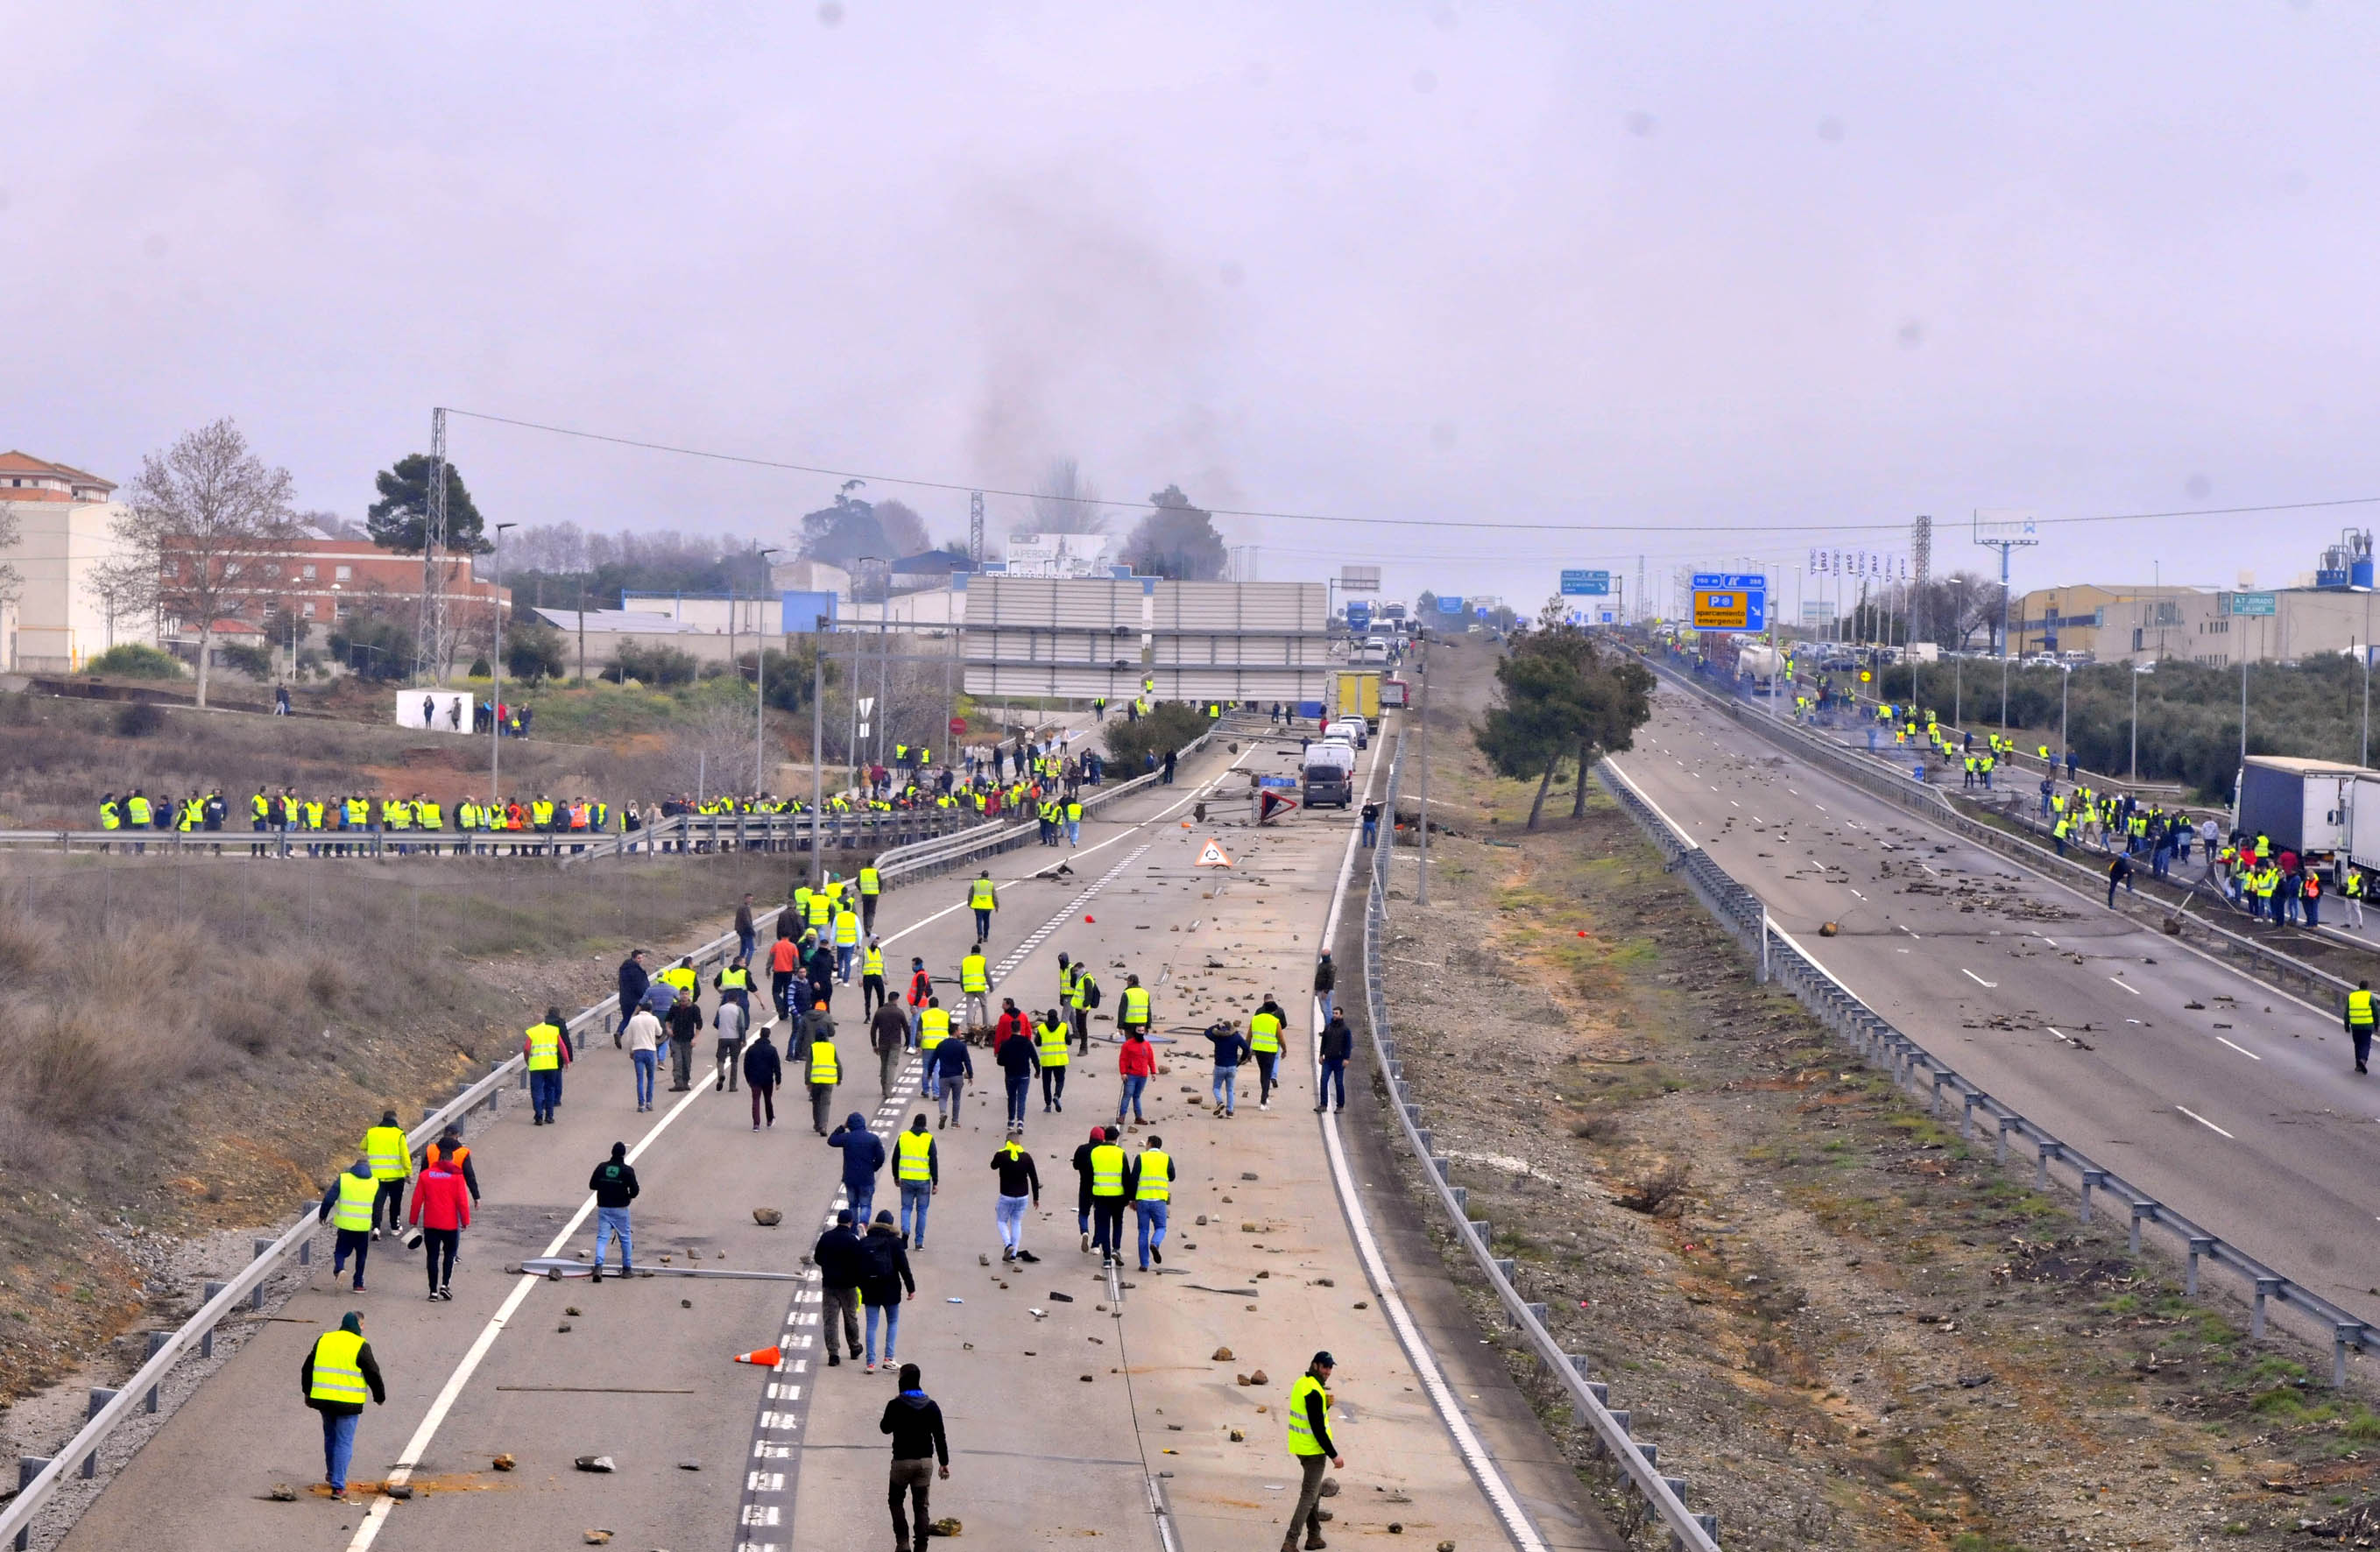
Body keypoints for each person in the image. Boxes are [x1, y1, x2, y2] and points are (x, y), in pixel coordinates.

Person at [300, 1311, 385, 1503]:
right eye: (363, 1325)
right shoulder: (360, 1345)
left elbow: (307, 1367)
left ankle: (331, 1474)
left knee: (330, 1436)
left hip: (322, 1399)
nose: (364, 1328)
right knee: (344, 1441)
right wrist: (379, 1397)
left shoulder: (324, 1339)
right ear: (358, 1325)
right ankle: (338, 1486)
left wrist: (307, 1392)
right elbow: (373, 1372)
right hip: (348, 1403)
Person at [881, 1361, 950, 1550]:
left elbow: (884, 1428)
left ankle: (902, 1542)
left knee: (895, 1501)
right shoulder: (932, 1406)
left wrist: (896, 1413)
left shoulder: (895, 1404)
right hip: (925, 1464)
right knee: (921, 1506)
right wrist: (944, 1463)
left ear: (902, 1381)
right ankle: (921, 1546)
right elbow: (940, 1436)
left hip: (902, 1463)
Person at [1283, 1351, 1345, 1552]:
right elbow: (1318, 1428)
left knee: (1315, 1491)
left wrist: (1323, 1406)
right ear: (1315, 1366)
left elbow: (1309, 1414)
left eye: (1330, 1368)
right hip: (1313, 1451)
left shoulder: (1302, 1383)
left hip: (1300, 1446)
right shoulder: (1314, 1392)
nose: (1328, 1372)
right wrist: (1334, 1455)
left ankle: (1314, 1536)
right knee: (1309, 1495)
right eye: (1325, 1367)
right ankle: (1290, 1541)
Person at [406, 1154, 470, 1301]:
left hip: (431, 1224)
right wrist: (465, 1221)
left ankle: (433, 1292)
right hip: (450, 1225)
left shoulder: (425, 1175)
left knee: (432, 1257)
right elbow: (462, 1201)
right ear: (451, 1161)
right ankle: (445, 1285)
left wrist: (413, 1220)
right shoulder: (456, 1176)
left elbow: (417, 1200)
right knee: (450, 1254)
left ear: (438, 1160)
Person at [859, 1210, 915, 1372]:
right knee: (892, 1322)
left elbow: (858, 1266)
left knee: (871, 1326)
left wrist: (860, 1285)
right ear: (891, 1225)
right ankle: (889, 1358)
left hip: (870, 1289)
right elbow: (904, 1267)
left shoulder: (865, 1242)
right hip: (891, 1289)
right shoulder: (896, 1243)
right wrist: (911, 1288)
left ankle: (870, 1363)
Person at [814, 1207, 867, 1365]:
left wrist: (829, 1267)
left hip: (829, 1285)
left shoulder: (826, 1237)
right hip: (849, 1286)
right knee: (850, 1317)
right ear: (851, 1222)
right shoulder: (853, 1240)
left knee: (830, 1320)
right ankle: (854, 1347)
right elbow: (860, 1262)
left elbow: (818, 1258)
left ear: (838, 1221)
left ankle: (833, 1354)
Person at [317, 1159, 379, 1292]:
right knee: (361, 1255)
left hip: (345, 1225)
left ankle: (339, 1269)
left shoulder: (344, 1179)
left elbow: (329, 1199)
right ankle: (358, 1284)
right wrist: (376, 1224)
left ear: (354, 1167)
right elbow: (377, 1205)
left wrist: (323, 1215)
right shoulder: (374, 1182)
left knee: (340, 1251)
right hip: (363, 1226)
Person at [588, 1141, 639, 1282]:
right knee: (625, 1238)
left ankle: (598, 1266)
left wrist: (605, 1186)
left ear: (612, 1152)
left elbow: (592, 1185)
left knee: (602, 1237)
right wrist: (628, 1196)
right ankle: (627, 1268)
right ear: (624, 1154)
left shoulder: (602, 1167)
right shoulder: (627, 1170)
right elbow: (635, 1190)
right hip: (621, 1208)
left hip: (604, 1207)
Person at [361, 1109, 413, 1240]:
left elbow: (362, 1146)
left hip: (376, 1176)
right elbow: (405, 1156)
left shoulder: (372, 1132)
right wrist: (408, 1173)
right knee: (395, 1203)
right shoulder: (399, 1134)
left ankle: (376, 1228)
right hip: (396, 1176)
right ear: (395, 1120)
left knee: (378, 1203)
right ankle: (395, 1228)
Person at [989, 1131, 1041, 1263]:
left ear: (1007, 1142)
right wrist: (1036, 1198)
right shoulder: (1027, 1157)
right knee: (1017, 1222)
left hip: (1006, 1195)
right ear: (1019, 1142)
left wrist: (1001, 1152)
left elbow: (993, 1166)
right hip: (1023, 1196)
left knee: (1001, 1221)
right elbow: (1034, 1178)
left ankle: (1008, 1245)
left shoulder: (1001, 1155)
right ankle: (1013, 1254)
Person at [830, 1111, 887, 1224]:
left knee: (853, 1205)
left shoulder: (847, 1138)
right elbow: (881, 1157)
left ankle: (854, 1228)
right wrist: (873, 1168)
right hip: (866, 1177)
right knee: (866, 1205)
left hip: (850, 1178)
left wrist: (842, 1127)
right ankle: (864, 1225)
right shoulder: (873, 1138)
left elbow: (831, 1140)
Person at [1131, 1133, 1174, 1272]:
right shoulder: (1167, 1158)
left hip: (1143, 1200)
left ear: (1149, 1144)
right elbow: (1172, 1177)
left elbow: (1133, 1179)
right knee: (1161, 1228)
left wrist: (1132, 1199)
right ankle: (1155, 1243)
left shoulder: (1141, 1158)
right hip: (1159, 1201)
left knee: (1143, 1231)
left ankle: (1144, 1264)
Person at [893, 1114, 937, 1249]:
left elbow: (895, 1158)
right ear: (925, 1125)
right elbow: (933, 1161)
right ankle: (919, 1242)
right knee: (922, 1211)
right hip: (923, 1180)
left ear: (913, 1123)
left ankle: (905, 1232)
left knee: (906, 1208)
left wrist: (896, 1176)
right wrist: (935, 1182)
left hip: (906, 1179)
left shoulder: (903, 1136)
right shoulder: (929, 1139)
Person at [1087, 1125, 1127, 1264]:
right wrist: (1129, 1198)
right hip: (1118, 1196)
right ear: (1116, 1139)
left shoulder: (1095, 1152)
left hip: (1100, 1195)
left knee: (1103, 1226)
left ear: (1104, 1137)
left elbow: (1089, 1175)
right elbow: (1126, 1176)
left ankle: (1106, 1258)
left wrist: (1089, 1195)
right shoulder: (1121, 1153)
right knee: (1117, 1223)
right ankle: (1116, 1249)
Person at [525, 1006, 570, 1125]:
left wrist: (527, 1060)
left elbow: (527, 1048)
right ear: (543, 1021)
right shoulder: (553, 1030)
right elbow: (562, 1046)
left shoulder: (532, 1032)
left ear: (535, 1022)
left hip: (536, 1067)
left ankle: (539, 1117)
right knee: (550, 1090)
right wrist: (566, 1061)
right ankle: (549, 1117)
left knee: (537, 1092)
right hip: (551, 1066)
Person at [994, 1012, 1039, 1129]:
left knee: (1011, 1098)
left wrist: (1008, 1063)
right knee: (1022, 1098)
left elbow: (999, 1061)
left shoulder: (1006, 1044)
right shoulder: (1027, 1042)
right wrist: (1037, 1071)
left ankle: (1010, 1121)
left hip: (1010, 1074)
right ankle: (1020, 1121)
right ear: (1020, 1029)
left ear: (1011, 1029)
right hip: (1024, 1074)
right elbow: (1035, 1058)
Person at [928, 1016, 973, 1129]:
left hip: (944, 1076)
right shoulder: (961, 1046)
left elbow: (933, 1060)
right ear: (956, 1032)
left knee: (943, 1098)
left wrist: (929, 1073)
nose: (960, 1032)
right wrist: (970, 1075)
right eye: (959, 1030)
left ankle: (943, 1113)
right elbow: (967, 1061)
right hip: (957, 1076)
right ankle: (955, 1122)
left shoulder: (941, 1045)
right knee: (956, 1099)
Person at [422, 1126, 480, 1203]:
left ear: (444, 1134)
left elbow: (423, 1173)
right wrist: (476, 1196)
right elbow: (469, 1175)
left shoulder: (431, 1149)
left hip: (433, 1192)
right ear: (457, 1136)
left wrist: (422, 1194)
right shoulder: (463, 1153)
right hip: (454, 1193)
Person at [869, 991, 909, 1097]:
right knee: (892, 1066)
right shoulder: (899, 1012)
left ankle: (883, 1088)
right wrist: (908, 1042)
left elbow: (873, 1029)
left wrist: (874, 1044)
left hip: (882, 1042)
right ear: (896, 1000)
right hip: (895, 1042)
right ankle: (888, 1090)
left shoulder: (880, 1012)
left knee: (884, 1064)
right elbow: (906, 1028)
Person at [1204, 1019, 1248, 1118]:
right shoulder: (1236, 1036)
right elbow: (1246, 1048)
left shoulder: (1217, 1037)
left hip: (1219, 1066)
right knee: (1230, 1089)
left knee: (1216, 1087)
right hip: (1232, 1066)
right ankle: (1230, 1111)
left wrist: (1216, 1025)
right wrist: (1241, 1060)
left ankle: (1220, 1102)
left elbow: (1207, 1032)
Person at [1248, 996, 1285, 1111]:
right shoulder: (1275, 1022)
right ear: (1274, 1011)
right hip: (1270, 1051)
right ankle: (1263, 1101)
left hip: (1258, 1050)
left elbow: (1249, 1036)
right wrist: (1285, 1049)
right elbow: (1281, 1038)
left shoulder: (1255, 1019)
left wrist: (1247, 1051)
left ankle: (1266, 1095)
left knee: (1263, 1072)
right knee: (1267, 1074)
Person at [744, 1023, 783, 1130]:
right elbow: (777, 1066)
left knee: (755, 1100)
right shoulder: (772, 1050)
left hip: (755, 1078)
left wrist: (748, 1079)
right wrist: (778, 1081)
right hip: (767, 1079)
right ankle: (770, 1120)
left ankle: (756, 1124)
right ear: (769, 1035)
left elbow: (746, 1065)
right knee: (768, 1099)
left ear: (760, 1034)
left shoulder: (752, 1049)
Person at [1116, 1026, 1156, 1126]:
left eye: (1142, 1031)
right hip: (1131, 1075)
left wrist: (1153, 1072)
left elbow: (1151, 1059)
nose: (1141, 1033)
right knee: (1127, 1095)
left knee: (1137, 1096)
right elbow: (1123, 1059)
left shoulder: (1147, 1045)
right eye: (1139, 1031)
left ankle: (1138, 1117)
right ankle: (1122, 1116)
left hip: (1143, 1076)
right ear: (1135, 1031)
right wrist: (1123, 1073)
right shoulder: (1127, 1045)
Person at [1317, 1010, 1353, 1113]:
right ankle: (1323, 1104)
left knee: (1339, 1083)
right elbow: (1323, 1043)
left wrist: (1346, 1058)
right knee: (1323, 1081)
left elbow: (1348, 1045)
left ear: (1341, 1015)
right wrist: (1321, 1055)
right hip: (1328, 1060)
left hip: (1339, 1060)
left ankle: (1340, 1106)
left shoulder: (1345, 1030)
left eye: (1336, 1013)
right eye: (1333, 1013)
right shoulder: (1328, 1027)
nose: (1334, 1015)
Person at [808, 1027, 843, 1134]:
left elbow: (808, 1066)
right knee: (826, 1104)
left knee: (816, 1102)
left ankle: (817, 1124)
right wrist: (839, 1078)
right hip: (828, 1080)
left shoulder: (813, 1047)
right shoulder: (831, 1047)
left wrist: (807, 1081)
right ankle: (823, 1126)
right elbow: (838, 1064)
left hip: (816, 1080)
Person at [666, 991, 703, 1092]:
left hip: (688, 1039)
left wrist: (695, 1038)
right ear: (680, 995)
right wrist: (668, 1029)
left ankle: (685, 1082)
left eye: (686, 994)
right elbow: (668, 1019)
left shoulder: (694, 1008)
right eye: (682, 994)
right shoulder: (675, 1007)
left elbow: (699, 1023)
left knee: (686, 1061)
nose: (684, 996)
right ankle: (678, 1083)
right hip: (676, 1038)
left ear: (689, 995)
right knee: (677, 1061)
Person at [1035, 1007, 1070, 1112]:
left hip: (1046, 1061)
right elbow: (1069, 1041)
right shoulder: (1063, 1027)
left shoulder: (1041, 1028)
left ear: (1048, 1017)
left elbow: (1037, 1043)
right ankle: (1057, 1095)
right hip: (1060, 1060)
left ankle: (1048, 1105)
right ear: (1056, 1016)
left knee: (1046, 1084)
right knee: (1060, 1080)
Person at [714, 994, 750, 1093]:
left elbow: (716, 1023)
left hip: (723, 1037)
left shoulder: (721, 1009)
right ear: (737, 999)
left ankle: (721, 1074)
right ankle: (732, 1086)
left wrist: (722, 1029)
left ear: (727, 999)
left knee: (720, 1058)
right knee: (734, 1061)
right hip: (735, 1038)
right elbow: (742, 1025)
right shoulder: (738, 1010)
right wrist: (743, 1039)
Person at [616, 949, 649, 1043]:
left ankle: (619, 1032)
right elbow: (640, 986)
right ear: (634, 958)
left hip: (624, 999)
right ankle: (637, 1040)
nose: (641, 960)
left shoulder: (623, 970)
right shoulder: (637, 971)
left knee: (626, 1018)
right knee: (638, 1019)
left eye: (642, 958)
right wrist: (645, 996)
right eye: (639, 958)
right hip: (635, 999)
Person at [959, 945, 992, 1033]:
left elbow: (961, 975)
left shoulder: (965, 960)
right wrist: (991, 986)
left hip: (969, 988)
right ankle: (986, 1025)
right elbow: (987, 975)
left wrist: (962, 986)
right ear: (979, 952)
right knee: (984, 1005)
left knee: (969, 1007)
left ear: (971, 951)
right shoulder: (982, 960)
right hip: (980, 988)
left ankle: (970, 1026)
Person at [2348, 980, 2376, 1075]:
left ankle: (2358, 1065)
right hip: (2367, 1025)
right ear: (2367, 987)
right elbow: (2375, 1012)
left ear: (2359, 986)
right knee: (2365, 1044)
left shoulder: (2352, 996)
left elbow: (2346, 1012)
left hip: (2355, 1025)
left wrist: (2346, 1025)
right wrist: (2377, 1024)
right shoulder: (2370, 997)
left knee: (2357, 1044)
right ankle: (2363, 1060)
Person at [1118, 973, 1151, 1041]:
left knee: (1130, 1044)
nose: (1127, 983)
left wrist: (1120, 1026)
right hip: (1142, 1024)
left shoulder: (1126, 993)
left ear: (1131, 981)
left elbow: (1122, 1011)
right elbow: (1149, 1011)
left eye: (1128, 981)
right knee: (1139, 1044)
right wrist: (1148, 1026)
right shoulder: (1145, 993)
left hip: (1129, 1025)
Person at [969, 869, 998, 942]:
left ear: (981, 875)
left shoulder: (976, 883)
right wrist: (996, 906)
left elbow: (970, 894)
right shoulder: (991, 884)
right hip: (988, 907)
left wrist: (969, 903)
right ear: (988, 876)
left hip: (978, 906)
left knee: (979, 920)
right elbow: (995, 896)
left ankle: (980, 935)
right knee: (986, 921)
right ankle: (986, 937)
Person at [1312, 952, 1337, 1026]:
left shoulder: (1330, 966)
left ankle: (1329, 1029)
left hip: (1325, 991)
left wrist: (1326, 991)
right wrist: (1316, 990)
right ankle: (1327, 1028)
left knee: (1327, 1011)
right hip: (1321, 990)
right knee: (1324, 1010)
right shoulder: (1322, 965)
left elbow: (1331, 980)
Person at [734, 892, 758, 964]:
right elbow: (747, 921)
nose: (750, 900)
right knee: (751, 949)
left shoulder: (742, 907)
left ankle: (738, 964)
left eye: (751, 899)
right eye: (749, 899)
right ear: (745, 899)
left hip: (741, 931)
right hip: (746, 931)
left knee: (743, 949)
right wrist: (752, 931)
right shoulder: (745, 908)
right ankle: (746, 964)